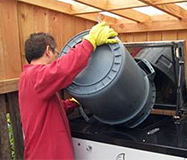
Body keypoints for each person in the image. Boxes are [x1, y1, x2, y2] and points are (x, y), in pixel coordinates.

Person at [18, 22, 119, 159]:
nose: (57, 57)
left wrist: (72, 103)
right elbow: (63, 69)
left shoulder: (29, 77)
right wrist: (89, 42)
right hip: (47, 155)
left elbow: (46, 111)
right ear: (48, 51)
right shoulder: (36, 76)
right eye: (57, 53)